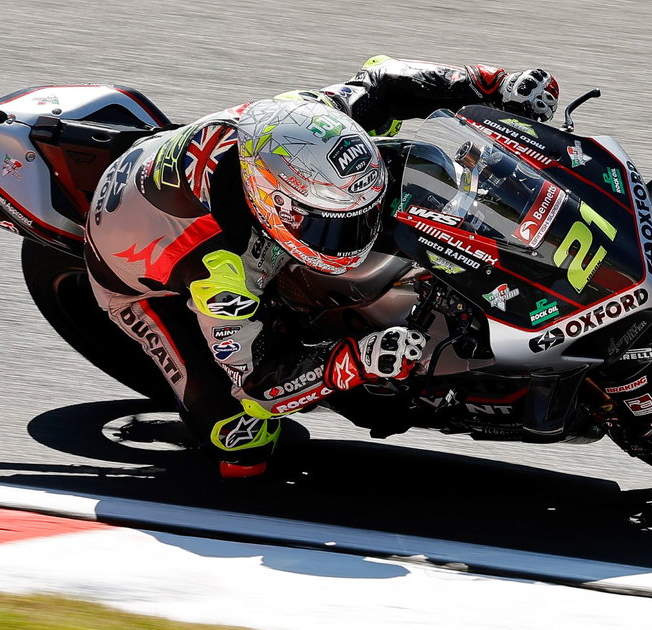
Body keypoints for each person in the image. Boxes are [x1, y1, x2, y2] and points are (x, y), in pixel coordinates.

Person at [84, 56, 561, 478]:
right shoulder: (222, 273)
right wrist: (355, 361)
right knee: (240, 441)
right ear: (276, 206)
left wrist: (494, 84)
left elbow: (384, 79)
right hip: (135, 272)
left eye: (363, 215)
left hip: (187, 175)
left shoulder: (313, 120)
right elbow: (259, 385)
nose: (361, 233)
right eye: (336, 227)